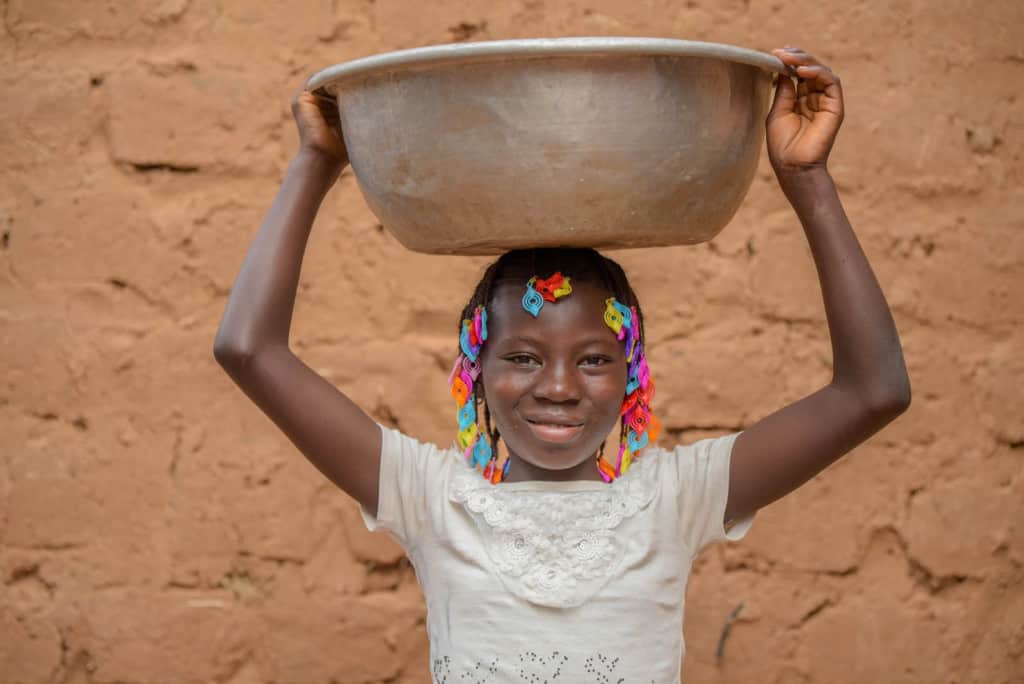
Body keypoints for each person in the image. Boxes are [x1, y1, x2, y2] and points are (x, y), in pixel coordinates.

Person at [214, 46, 910, 682]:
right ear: (474, 370)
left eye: (594, 359)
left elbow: (872, 393)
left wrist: (807, 179)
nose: (557, 386)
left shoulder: (675, 501)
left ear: (632, 374)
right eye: (521, 356)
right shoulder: (431, 499)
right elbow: (248, 349)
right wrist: (317, 163)